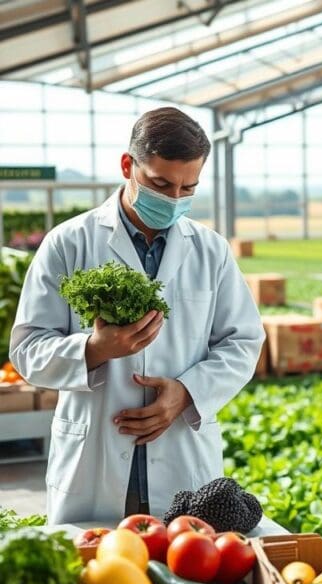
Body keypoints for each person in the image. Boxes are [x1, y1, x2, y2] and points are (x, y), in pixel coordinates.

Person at [10, 107, 265, 525]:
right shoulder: (69, 244)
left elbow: (243, 342)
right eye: (160, 184)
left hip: (184, 456)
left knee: (183, 570)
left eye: (188, 189)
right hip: (94, 464)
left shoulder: (210, 250)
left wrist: (187, 392)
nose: (174, 199)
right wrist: (93, 349)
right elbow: (27, 351)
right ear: (128, 165)